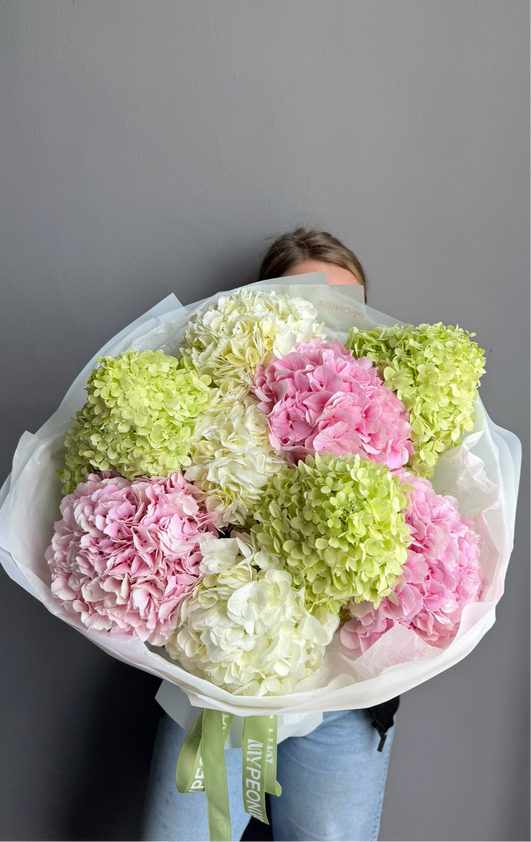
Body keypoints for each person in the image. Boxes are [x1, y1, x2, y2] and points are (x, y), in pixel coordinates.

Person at [139, 228, 400, 842]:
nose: (325, 322)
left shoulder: (393, 415)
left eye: (346, 307)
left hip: (344, 700)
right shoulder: (205, 410)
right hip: (223, 675)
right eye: (304, 301)